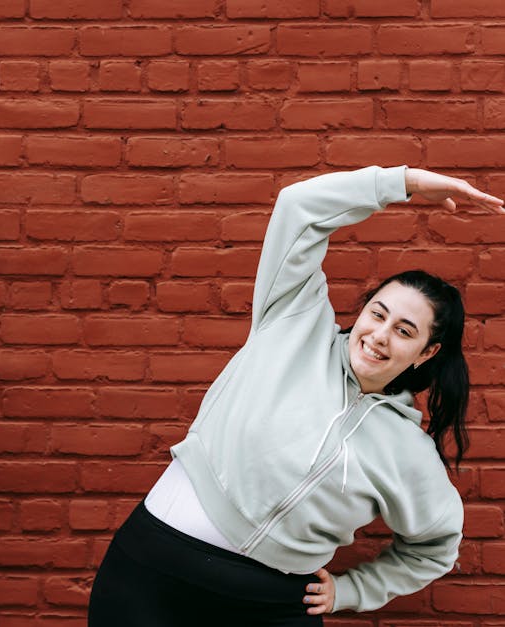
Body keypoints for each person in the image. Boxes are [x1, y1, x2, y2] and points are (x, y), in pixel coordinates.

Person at [88, 166, 504, 626]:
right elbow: (299, 207)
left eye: (404, 331)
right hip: (152, 576)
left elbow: (435, 547)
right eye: (377, 314)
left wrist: (352, 590)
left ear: (427, 352)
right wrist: (407, 183)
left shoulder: (409, 450)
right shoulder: (293, 322)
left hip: (270, 606)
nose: (379, 336)